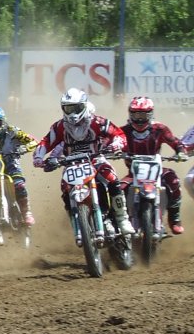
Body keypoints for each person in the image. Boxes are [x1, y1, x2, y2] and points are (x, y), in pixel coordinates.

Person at [32, 88, 131, 239]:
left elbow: (118, 134)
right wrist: (39, 157)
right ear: (63, 109)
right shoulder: (59, 127)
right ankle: (76, 222)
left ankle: (122, 218)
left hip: (95, 159)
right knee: (65, 190)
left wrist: (115, 144)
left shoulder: (97, 122)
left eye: (76, 108)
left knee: (112, 179)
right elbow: (46, 142)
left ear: (84, 106)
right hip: (71, 164)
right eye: (68, 109)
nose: (72, 113)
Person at [118, 96, 187, 234]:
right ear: (130, 114)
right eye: (136, 115)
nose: (139, 119)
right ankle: (117, 224)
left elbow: (175, 142)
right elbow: (113, 142)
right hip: (133, 175)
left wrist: (180, 152)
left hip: (156, 172)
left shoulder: (159, 129)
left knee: (173, 180)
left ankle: (174, 219)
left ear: (150, 114)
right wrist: (113, 150)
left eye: (143, 115)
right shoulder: (123, 131)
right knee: (118, 190)